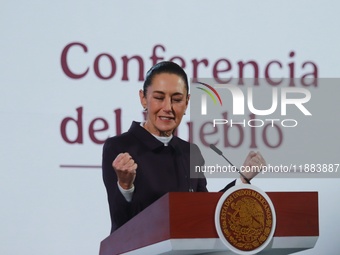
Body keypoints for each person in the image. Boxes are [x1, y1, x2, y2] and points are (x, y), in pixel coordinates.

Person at [102, 61, 266, 233]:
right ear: (143, 98)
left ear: (187, 102)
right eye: (159, 98)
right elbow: (120, 222)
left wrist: (242, 179)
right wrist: (125, 186)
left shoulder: (190, 152)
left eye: (177, 99)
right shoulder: (120, 147)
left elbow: (206, 210)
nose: (168, 108)